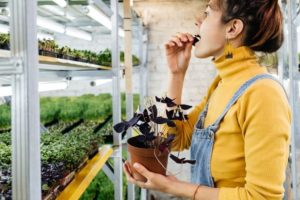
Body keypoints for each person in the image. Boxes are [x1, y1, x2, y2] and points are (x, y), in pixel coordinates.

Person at [123, 0, 291, 199]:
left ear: (232, 28)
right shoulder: (222, 83)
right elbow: (176, 139)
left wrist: (174, 187)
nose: (197, 21)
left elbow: (262, 197)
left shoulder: (263, 93)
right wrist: (176, 74)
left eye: (207, 12)